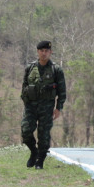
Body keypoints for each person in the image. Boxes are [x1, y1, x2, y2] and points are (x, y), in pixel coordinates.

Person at [20, 39, 67, 170]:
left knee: (44, 135)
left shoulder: (56, 70)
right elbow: (24, 86)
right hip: (31, 106)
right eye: (41, 51)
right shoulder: (30, 68)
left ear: (50, 52)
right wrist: (25, 102)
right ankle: (33, 151)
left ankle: (40, 160)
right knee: (26, 131)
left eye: (46, 51)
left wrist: (58, 108)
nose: (44, 53)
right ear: (38, 52)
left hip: (47, 107)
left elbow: (62, 91)